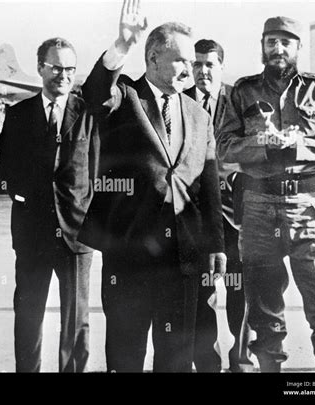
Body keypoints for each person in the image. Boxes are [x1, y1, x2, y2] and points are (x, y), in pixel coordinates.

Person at [80, 0, 226, 372]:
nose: (190, 70)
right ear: (154, 57)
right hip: (130, 256)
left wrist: (216, 244)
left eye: (192, 62)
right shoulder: (126, 96)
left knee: (175, 356)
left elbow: (207, 184)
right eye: (181, 61)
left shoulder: (198, 113)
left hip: (183, 258)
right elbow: (95, 92)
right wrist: (121, 45)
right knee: (126, 354)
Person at [217, 16, 315, 373]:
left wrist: (298, 144)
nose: (278, 49)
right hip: (259, 206)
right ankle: (270, 370)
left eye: (285, 42)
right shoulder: (242, 91)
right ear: (262, 45)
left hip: (310, 207)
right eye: (271, 42)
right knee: (263, 303)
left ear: (297, 48)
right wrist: (260, 143)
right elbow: (226, 147)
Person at [0, 38, 98, 372]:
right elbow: (5, 171)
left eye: (70, 69)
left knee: (76, 320)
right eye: (56, 68)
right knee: (28, 316)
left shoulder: (88, 113)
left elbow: (96, 169)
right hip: (31, 233)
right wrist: (21, 193)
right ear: (40, 67)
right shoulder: (17, 115)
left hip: (77, 233)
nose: (64, 76)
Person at [184, 39, 253, 372]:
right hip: (194, 215)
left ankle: (239, 360)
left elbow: (250, 148)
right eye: (196, 64)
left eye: (209, 64)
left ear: (221, 66)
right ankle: (207, 363)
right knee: (199, 291)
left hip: (233, 213)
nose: (202, 71)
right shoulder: (180, 101)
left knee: (239, 290)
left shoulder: (238, 101)